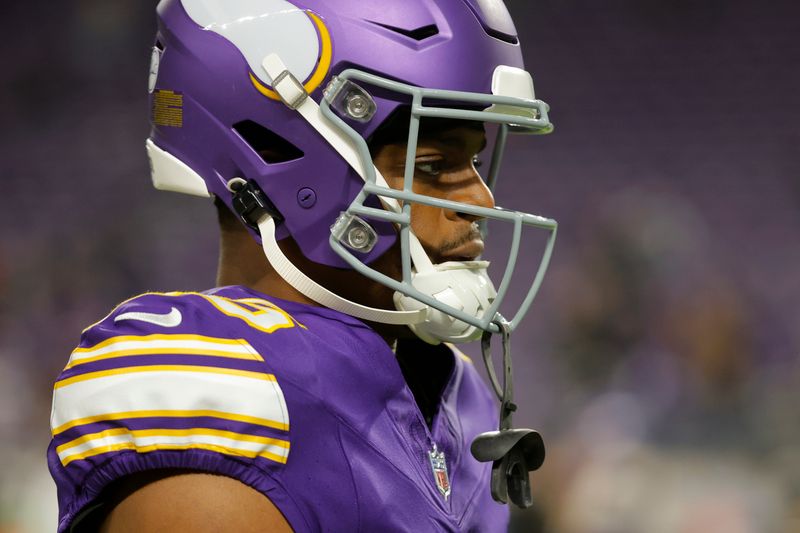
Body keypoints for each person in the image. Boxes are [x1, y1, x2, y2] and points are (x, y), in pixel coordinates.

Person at [47, 0, 558, 531]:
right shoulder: (233, 394)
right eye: (432, 165)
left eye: (474, 161)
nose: (483, 199)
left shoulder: (455, 391)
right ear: (285, 161)